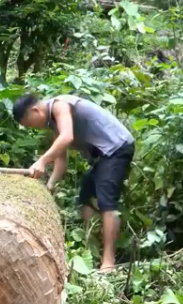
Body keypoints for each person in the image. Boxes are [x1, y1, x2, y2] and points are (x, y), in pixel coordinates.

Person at [12, 94, 135, 273]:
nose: (33, 128)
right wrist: (50, 185)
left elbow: (67, 137)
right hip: (102, 156)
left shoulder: (59, 106)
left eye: (30, 124)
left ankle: (109, 262)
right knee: (85, 197)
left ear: (35, 110)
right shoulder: (55, 124)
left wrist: (42, 161)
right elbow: (61, 161)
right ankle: (91, 249)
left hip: (116, 148)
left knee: (107, 202)